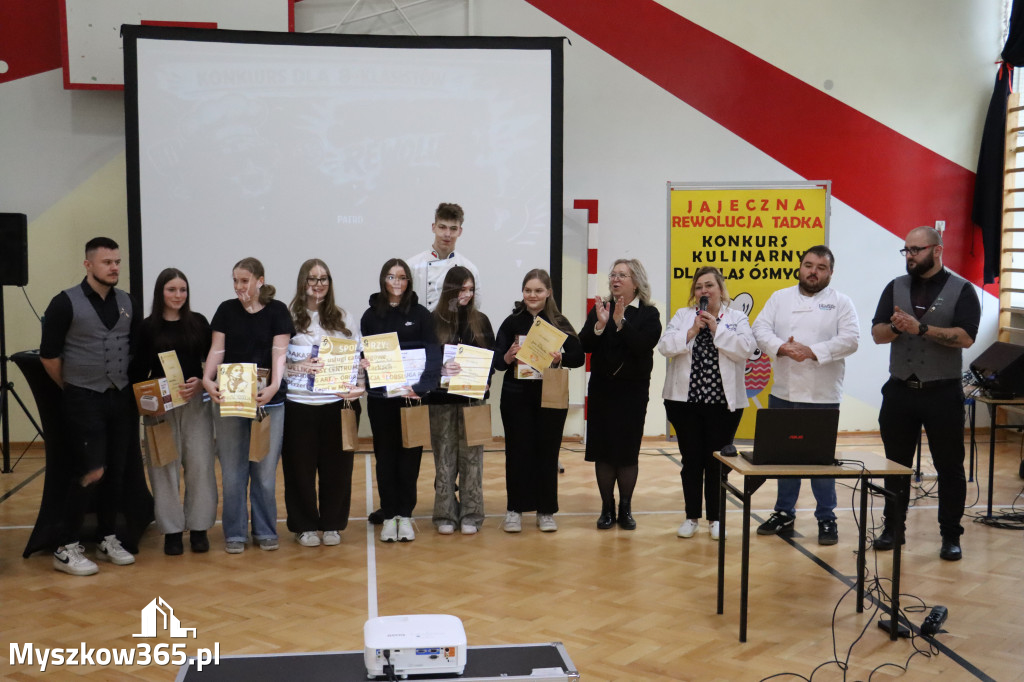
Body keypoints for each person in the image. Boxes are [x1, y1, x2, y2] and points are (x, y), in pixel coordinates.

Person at [871, 226, 979, 561]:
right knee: (895, 465)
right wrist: (895, 327)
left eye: (916, 249)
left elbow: (965, 338)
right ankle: (893, 528)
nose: (910, 256)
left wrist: (921, 328)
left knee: (950, 467)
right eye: (906, 250)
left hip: (942, 392)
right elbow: (877, 333)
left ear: (937, 250)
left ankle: (950, 535)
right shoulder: (895, 287)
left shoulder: (962, 290)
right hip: (901, 390)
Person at [40, 237, 141, 575]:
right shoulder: (64, 303)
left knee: (115, 469)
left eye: (117, 262)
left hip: (120, 397)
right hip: (83, 397)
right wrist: (72, 386)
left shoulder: (127, 301)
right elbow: (49, 356)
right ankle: (65, 546)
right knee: (91, 470)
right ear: (88, 265)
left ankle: (108, 536)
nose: (114, 268)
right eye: (106, 262)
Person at [751, 246, 860, 545]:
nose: (812, 271)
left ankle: (827, 518)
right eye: (808, 265)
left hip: (823, 395)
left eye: (820, 267)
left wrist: (813, 351)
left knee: (820, 461)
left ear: (830, 272)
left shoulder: (841, 302)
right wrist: (783, 348)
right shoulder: (780, 297)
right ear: (800, 267)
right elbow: (759, 327)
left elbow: (851, 340)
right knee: (785, 458)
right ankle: (784, 512)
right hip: (784, 392)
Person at [202, 258, 294, 554]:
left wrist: (275, 386)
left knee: (264, 473)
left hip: (270, 404)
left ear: (259, 281)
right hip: (231, 402)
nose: (239, 286)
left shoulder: (278, 311)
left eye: (244, 280)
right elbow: (218, 348)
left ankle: (266, 530)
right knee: (232, 471)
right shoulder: (226, 310)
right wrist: (207, 378)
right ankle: (235, 532)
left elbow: (280, 351)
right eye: (235, 281)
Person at [660, 266, 754, 540]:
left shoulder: (736, 318)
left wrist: (716, 328)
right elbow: (665, 347)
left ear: (721, 289)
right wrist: (690, 332)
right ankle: (691, 517)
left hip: (722, 405)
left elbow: (746, 349)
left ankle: (716, 518)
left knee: (717, 463)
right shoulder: (683, 316)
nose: (704, 291)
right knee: (691, 461)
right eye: (699, 286)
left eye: (709, 285)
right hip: (684, 403)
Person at [282, 259, 365, 548]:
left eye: (324, 279)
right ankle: (304, 525)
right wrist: (298, 366)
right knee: (299, 469)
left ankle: (332, 524)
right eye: (312, 279)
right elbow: (277, 363)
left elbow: (358, 360)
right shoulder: (288, 316)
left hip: (337, 404)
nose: (319, 284)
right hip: (298, 405)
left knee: (338, 468)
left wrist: (359, 388)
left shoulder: (343, 317)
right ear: (302, 282)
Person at [493, 269, 583, 532]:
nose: (533, 295)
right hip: (515, 398)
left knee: (547, 452)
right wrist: (509, 356)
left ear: (548, 293)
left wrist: (559, 358)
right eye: (528, 290)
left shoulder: (558, 320)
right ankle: (514, 510)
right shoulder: (512, 322)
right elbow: (497, 362)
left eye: (538, 291)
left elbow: (578, 356)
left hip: (550, 398)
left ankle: (546, 511)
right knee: (517, 453)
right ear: (523, 293)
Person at [133, 268, 216, 556]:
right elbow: (136, 372)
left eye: (183, 290)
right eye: (172, 290)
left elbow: (213, 362)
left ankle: (199, 528)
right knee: (163, 467)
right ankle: (170, 530)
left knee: (200, 465)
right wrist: (150, 395)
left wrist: (203, 383)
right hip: (160, 409)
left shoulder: (199, 323)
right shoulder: (146, 328)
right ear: (160, 293)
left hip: (195, 404)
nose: (178, 295)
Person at [361, 258, 441, 543]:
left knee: (410, 455)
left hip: (413, 398)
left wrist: (421, 388)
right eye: (391, 277)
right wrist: (365, 363)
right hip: (381, 398)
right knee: (385, 455)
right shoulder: (370, 316)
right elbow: (365, 355)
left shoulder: (421, 314)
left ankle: (405, 515)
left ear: (409, 282)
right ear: (383, 280)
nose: (397, 282)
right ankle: (390, 512)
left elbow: (433, 352)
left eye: (402, 277)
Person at [580, 259, 662, 530]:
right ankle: (607, 508)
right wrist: (601, 325)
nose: (615, 279)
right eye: (613, 275)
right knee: (603, 452)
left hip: (632, 393)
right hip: (603, 389)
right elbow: (584, 345)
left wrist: (621, 322)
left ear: (636, 281)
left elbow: (642, 346)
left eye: (622, 275)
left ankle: (625, 507)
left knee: (627, 453)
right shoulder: (600, 308)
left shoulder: (648, 314)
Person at [426, 266, 494, 535]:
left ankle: (472, 513)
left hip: (473, 401)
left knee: (473, 458)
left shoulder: (482, 320)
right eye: (461, 289)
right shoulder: (433, 321)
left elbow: (492, 357)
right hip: (441, 401)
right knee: (444, 458)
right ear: (449, 290)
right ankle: (444, 513)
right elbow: (426, 361)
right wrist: (439, 370)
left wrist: (487, 378)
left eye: (470, 289)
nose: (466, 294)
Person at [406, 202, 481, 312]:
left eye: (453, 229)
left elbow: (474, 309)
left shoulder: (469, 269)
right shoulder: (412, 265)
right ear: (433, 227)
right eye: (442, 227)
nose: (447, 234)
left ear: (460, 231)